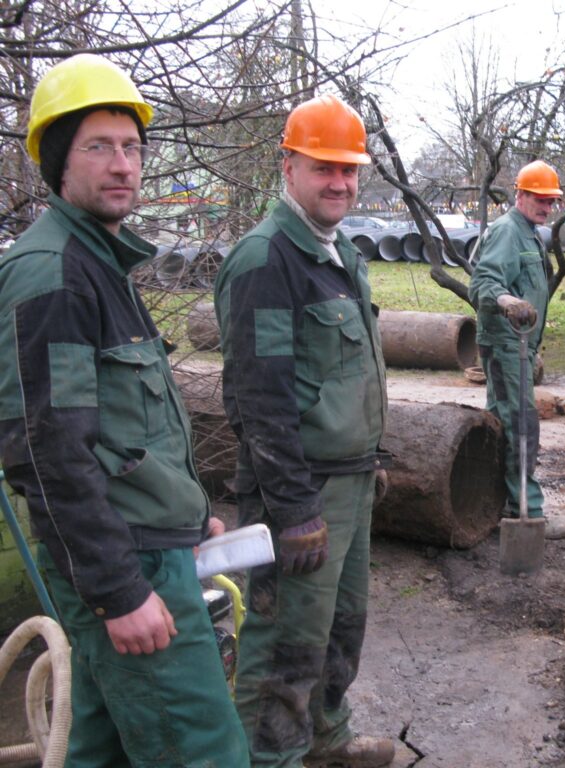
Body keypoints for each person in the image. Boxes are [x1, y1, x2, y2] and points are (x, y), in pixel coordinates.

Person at [0, 54, 248, 765]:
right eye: (98, 147)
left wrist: (182, 510)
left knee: (101, 749)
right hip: (128, 569)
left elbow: (121, 427)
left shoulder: (99, 263)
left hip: (149, 548)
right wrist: (118, 592)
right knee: (202, 751)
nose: (122, 164)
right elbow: (47, 455)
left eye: (132, 146)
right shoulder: (53, 276)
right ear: (58, 162)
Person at [214, 94, 393, 768]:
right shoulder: (267, 261)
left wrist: (372, 452)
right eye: (324, 168)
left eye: (349, 170)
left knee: (341, 631)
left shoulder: (338, 250)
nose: (340, 183)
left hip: (348, 483)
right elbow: (257, 399)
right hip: (301, 494)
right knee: (286, 649)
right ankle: (272, 760)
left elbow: (348, 369)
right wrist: (292, 510)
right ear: (287, 166)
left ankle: (327, 744)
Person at [468, 160, 565, 540]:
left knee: (503, 424)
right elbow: (483, 284)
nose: (547, 207)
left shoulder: (529, 232)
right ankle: (529, 512)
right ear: (521, 195)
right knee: (520, 425)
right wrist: (508, 300)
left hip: (518, 345)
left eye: (551, 201)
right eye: (540, 199)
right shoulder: (508, 231)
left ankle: (497, 501)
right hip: (506, 343)